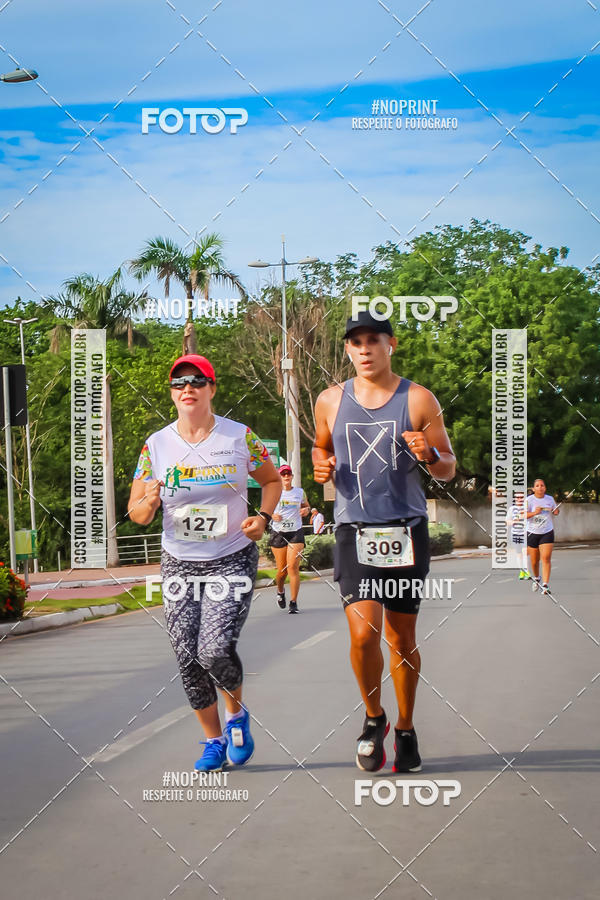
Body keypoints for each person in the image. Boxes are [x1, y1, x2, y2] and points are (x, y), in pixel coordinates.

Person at [312, 310, 455, 773]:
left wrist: (429, 455)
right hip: (354, 529)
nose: (365, 349)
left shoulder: (418, 399)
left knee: (401, 637)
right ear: (348, 350)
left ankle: (406, 728)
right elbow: (321, 446)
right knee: (362, 634)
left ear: (390, 344)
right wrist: (320, 464)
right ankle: (374, 717)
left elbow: (448, 467)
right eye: (356, 343)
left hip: (405, 530)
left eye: (373, 340)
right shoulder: (329, 400)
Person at [128, 354, 281, 771]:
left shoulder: (239, 437)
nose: (188, 389)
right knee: (187, 655)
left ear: (212, 388)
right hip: (179, 562)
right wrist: (148, 502)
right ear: (172, 393)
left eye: (197, 381)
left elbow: (271, 480)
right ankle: (213, 741)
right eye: (179, 383)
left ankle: (236, 717)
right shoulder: (156, 445)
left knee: (213, 649)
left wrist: (263, 519)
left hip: (231, 557)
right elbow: (136, 513)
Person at [269, 465, 310, 613]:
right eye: (283, 474)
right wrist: (272, 516)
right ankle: (280, 591)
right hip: (278, 532)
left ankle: (293, 602)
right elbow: (265, 510)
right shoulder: (273, 491)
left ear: (292, 476)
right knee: (282, 571)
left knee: (292, 567)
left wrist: (306, 510)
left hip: (295, 532)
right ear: (279, 477)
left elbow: (307, 507)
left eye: (288, 474)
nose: (286, 476)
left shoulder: (299, 492)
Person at [526, 477, 559, 593]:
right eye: (537, 486)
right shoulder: (529, 500)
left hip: (547, 532)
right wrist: (535, 512)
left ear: (545, 488)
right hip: (532, 533)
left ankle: (545, 585)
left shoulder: (550, 499)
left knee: (546, 558)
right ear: (533, 489)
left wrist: (556, 511)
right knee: (535, 561)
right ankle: (537, 577)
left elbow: (555, 511)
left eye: (542, 485)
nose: (540, 487)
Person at [507, 492, 528, 579]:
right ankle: (521, 572)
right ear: (515, 499)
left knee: (525, 552)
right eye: (517, 497)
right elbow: (507, 521)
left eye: (521, 497)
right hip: (515, 533)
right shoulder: (511, 509)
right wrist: (514, 521)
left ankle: (527, 572)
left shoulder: (527, 508)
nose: (519, 499)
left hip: (525, 533)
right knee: (519, 553)